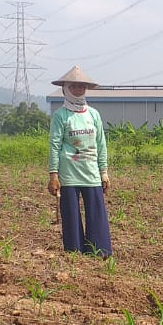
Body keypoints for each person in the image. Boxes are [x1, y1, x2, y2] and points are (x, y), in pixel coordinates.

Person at [47, 65, 112, 257]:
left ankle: (99, 251)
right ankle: (74, 252)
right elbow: (54, 145)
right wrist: (53, 175)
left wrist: (104, 172)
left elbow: (101, 144)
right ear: (66, 89)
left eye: (81, 86)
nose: (77, 90)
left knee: (96, 213)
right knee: (71, 215)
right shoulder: (60, 115)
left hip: (91, 172)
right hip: (69, 174)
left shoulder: (93, 114)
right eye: (73, 86)